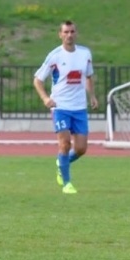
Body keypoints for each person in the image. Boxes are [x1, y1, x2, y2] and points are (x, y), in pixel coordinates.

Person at [33, 20, 99, 195]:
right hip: (60, 106)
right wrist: (45, 98)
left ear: (76, 34)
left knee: (81, 149)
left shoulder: (85, 54)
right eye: (66, 32)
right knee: (65, 144)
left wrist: (92, 96)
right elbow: (38, 80)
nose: (69, 35)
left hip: (79, 107)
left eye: (72, 32)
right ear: (60, 35)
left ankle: (61, 163)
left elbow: (89, 76)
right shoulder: (55, 56)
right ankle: (67, 183)